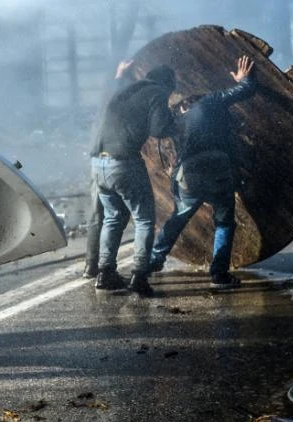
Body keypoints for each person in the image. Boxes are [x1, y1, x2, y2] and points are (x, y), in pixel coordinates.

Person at [148, 55, 256, 290]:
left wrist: (175, 187)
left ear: (184, 102)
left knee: (179, 217)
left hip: (191, 174)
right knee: (224, 221)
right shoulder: (212, 101)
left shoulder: (176, 121)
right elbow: (247, 89)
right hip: (218, 169)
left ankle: (154, 260)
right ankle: (219, 274)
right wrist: (243, 79)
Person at [91, 64, 177, 296]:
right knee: (145, 220)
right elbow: (160, 129)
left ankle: (105, 273)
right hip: (124, 162)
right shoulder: (157, 92)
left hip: (98, 163)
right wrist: (178, 121)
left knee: (113, 217)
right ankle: (139, 276)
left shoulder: (126, 90)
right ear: (167, 85)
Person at [82, 60, 135, 279]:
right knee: (114, 215)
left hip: (97, 160)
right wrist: (120, 76)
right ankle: (101, 268)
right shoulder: (113, 102)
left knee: (100, 215)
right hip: (106, 159)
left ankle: (92, 266)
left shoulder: (104, 105)